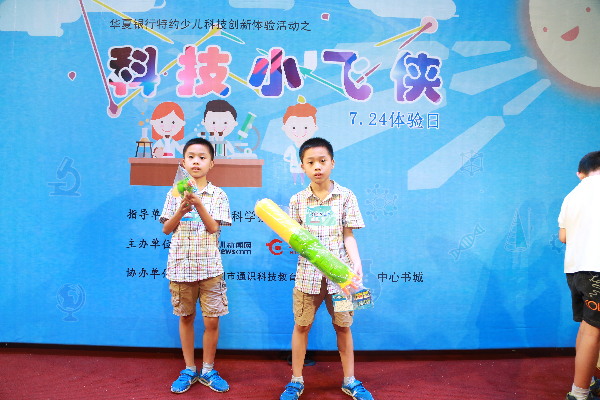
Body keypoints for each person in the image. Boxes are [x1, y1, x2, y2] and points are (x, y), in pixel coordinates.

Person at [280, 137, 374, 400]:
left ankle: (350, 380)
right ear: (302, 166)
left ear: (332, 162)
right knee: (301, 326)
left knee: (343, 326)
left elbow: (348, 235)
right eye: (311, 162)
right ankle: (296, 380)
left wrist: (355, 263)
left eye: (322, 161)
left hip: (341, 278)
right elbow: (294, 239)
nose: (317, 167)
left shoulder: (346, 196)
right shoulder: (298, 200)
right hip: (307, 277)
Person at [159, 137, 232, 394]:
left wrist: (198, 204)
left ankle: (208, 369)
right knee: (186, 317)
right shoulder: (174, 192)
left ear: (211, 163)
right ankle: (189, 368)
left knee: (212, 321)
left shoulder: (219, 194)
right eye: (191, 157)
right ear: (183, 162)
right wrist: (181, 210)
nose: (196, 162)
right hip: (180, 267)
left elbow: (213, 228)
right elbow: (166, 229)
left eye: (202, 157)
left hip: (210, 269)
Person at [559, 151, 600, 400]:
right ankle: (579, 393)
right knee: (593, 330)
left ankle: (586, 385)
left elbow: (563, 236)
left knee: (588, 328)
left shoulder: (571, 196)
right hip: (597, 268)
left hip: (576, 270)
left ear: (580, 174)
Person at [282, 103, 318, 185]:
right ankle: (295, 182)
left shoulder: (311, 148)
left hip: (306, 169)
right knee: (295, 175)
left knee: (302, 174)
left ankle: (302, 182)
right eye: (294, 127)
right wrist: (291, 160)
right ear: (284, 128)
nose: (300, 131)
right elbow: (285, 157)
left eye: (305, 127)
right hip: (294, 167)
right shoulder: (291, 148)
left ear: (315, 127)